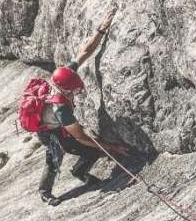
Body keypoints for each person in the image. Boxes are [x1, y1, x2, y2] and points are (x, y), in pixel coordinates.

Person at [37, 10, 128, 206]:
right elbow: (82, 137)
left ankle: (80, 171)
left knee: (92, 151)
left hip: (58, 124)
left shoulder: (62, 76)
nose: (76, 91)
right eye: (74, 90)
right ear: (66, 90)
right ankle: (45, 192)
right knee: (55, 158)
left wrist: (101, 30)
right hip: (48, 131)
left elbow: (85, 52)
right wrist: (111, 147)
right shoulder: (61, 109)